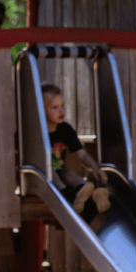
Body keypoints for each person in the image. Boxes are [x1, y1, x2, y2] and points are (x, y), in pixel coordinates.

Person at [41, 83, 110, 220]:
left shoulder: (65, 129)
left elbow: (82, 154)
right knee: (53, 174)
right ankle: (70, 196)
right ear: (42, 110)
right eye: (55, 107)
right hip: (41, 177)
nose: (61, 111)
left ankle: (88, 191)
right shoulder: (36, 130)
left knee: (68, 173)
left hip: (58, 173)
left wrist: (95, 168)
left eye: (62, 106)